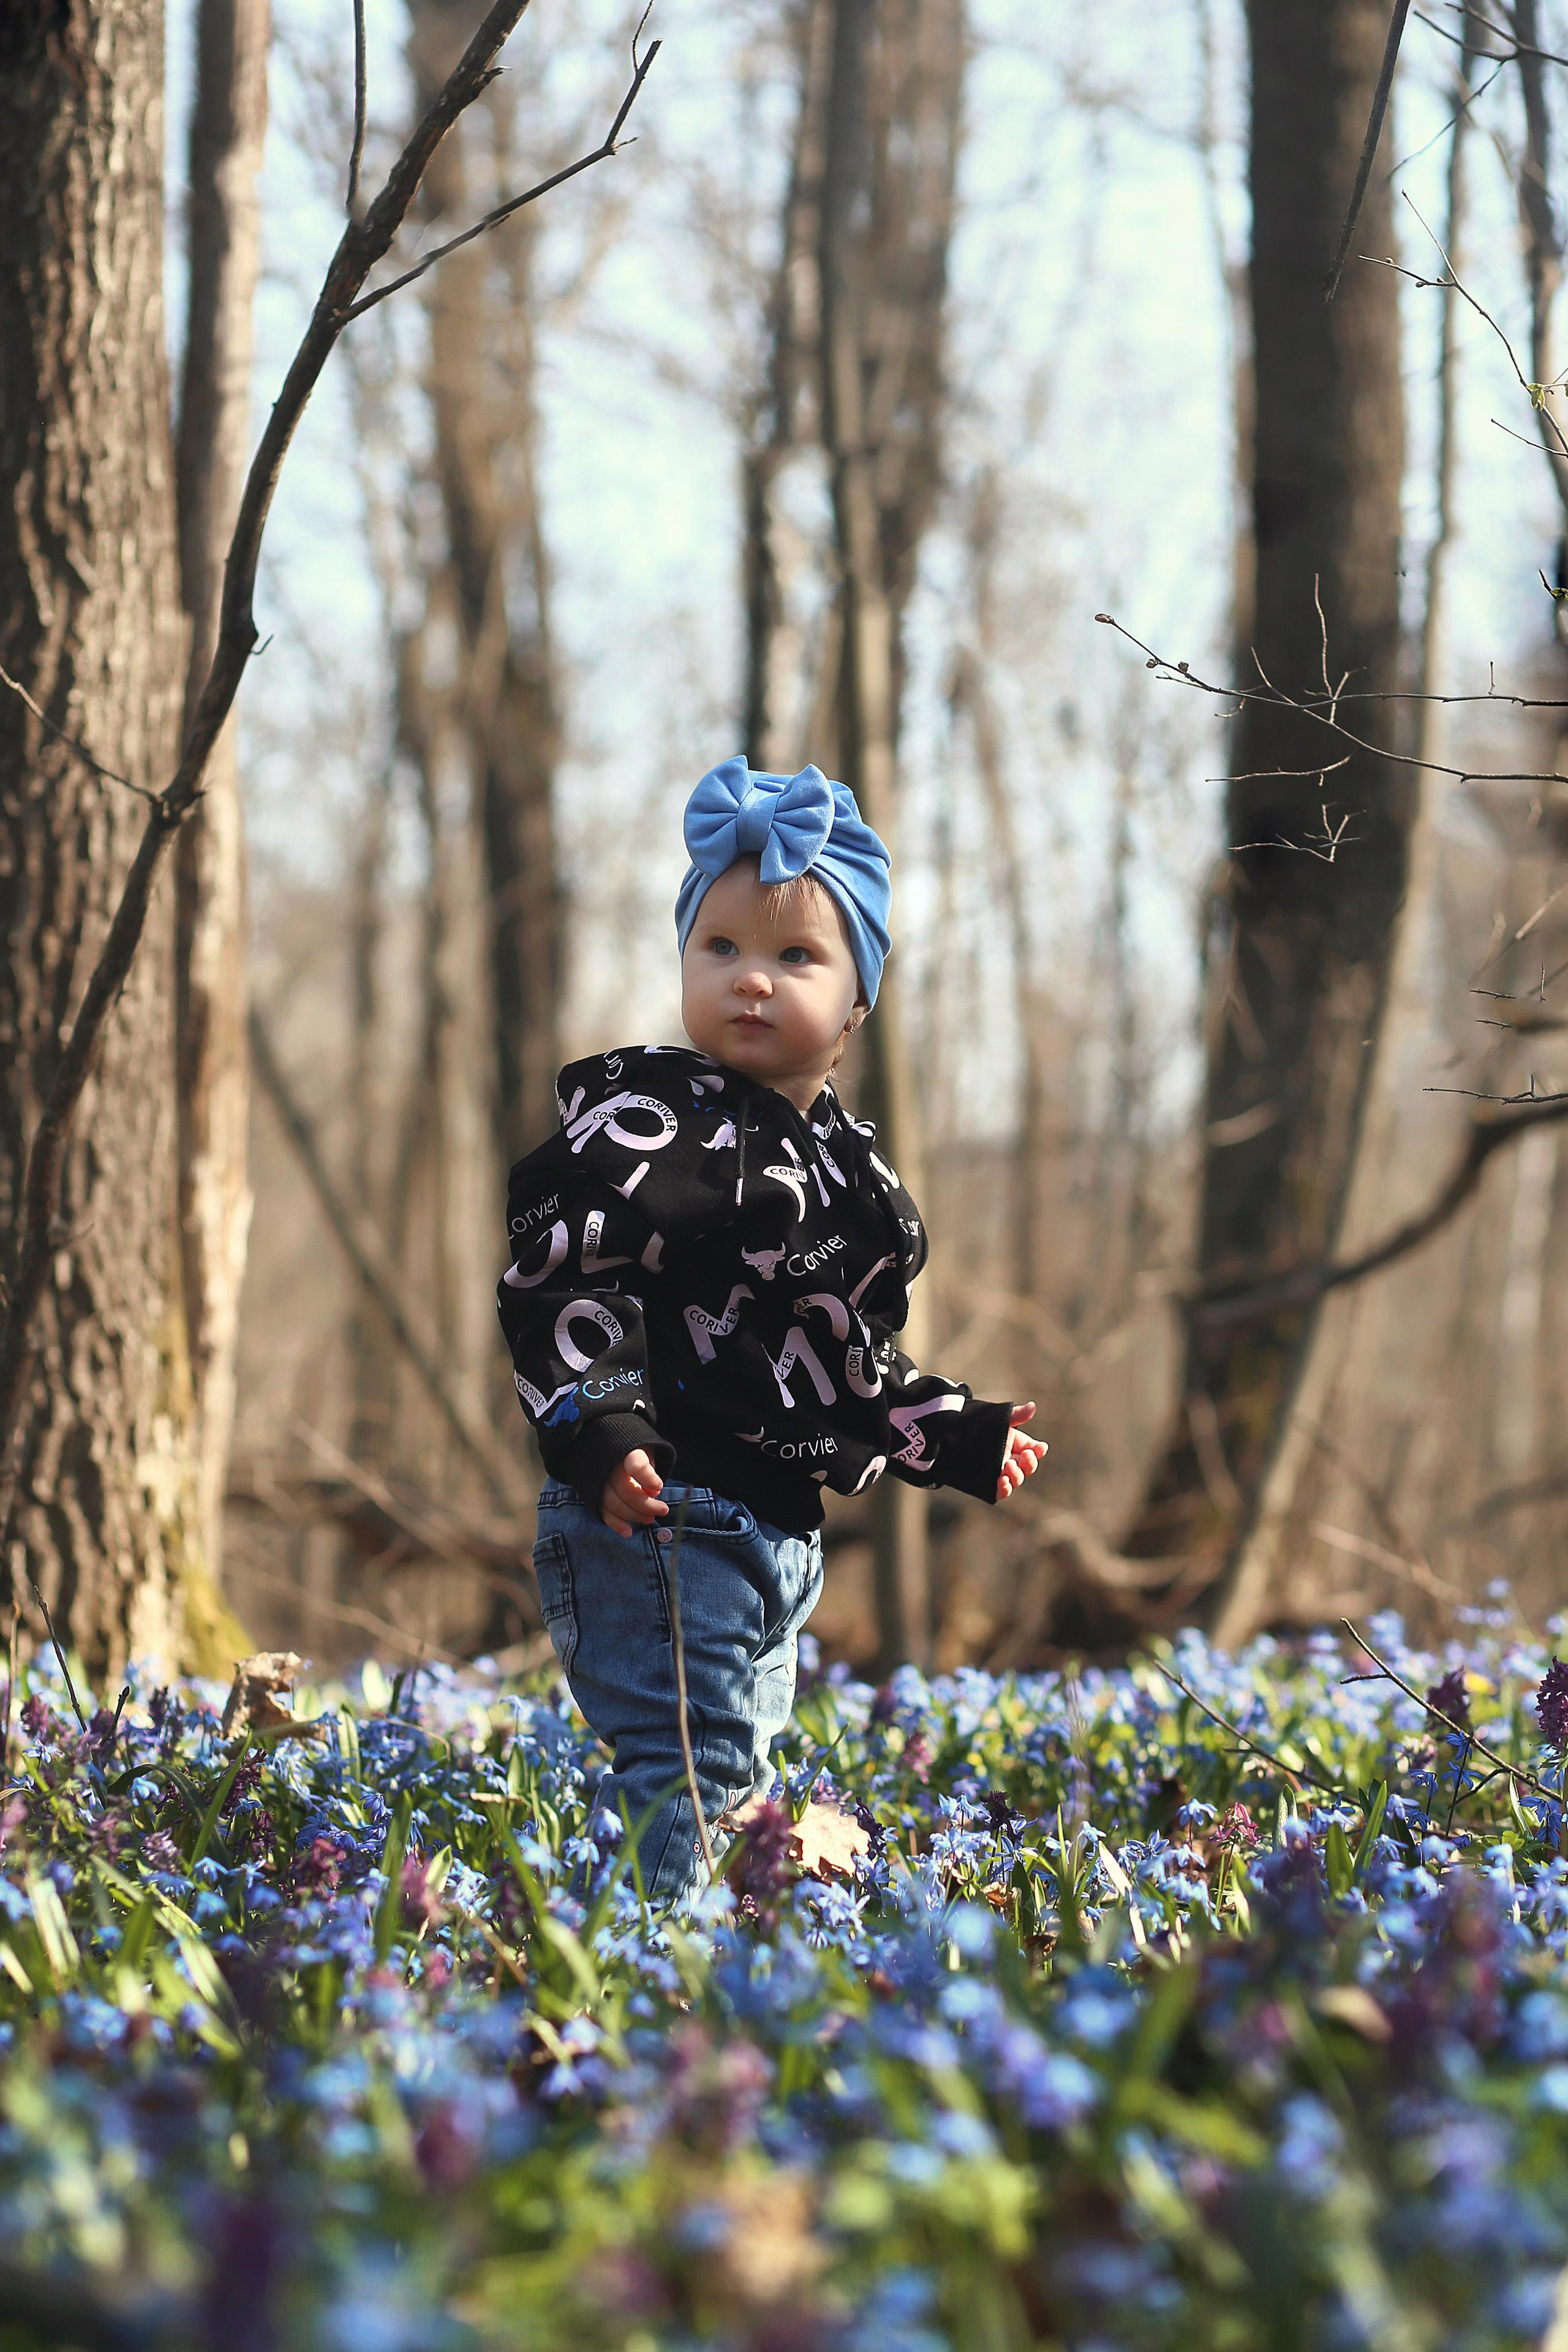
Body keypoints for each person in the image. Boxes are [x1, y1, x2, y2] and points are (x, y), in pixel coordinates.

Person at [496, 755, 1047, 1904]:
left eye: (795, 955)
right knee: (691, 1778)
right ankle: (662, 1984)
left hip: (773, 1542)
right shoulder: (645, 1129)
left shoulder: (854, 1179)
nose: (751, 979)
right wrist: (596, 1429)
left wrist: (955, 1434)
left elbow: (852, 1363)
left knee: (729, 1774)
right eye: (721, 948)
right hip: (659, 1514)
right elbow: (559, 1283)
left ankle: (701, 1943)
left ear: (857, 1000)